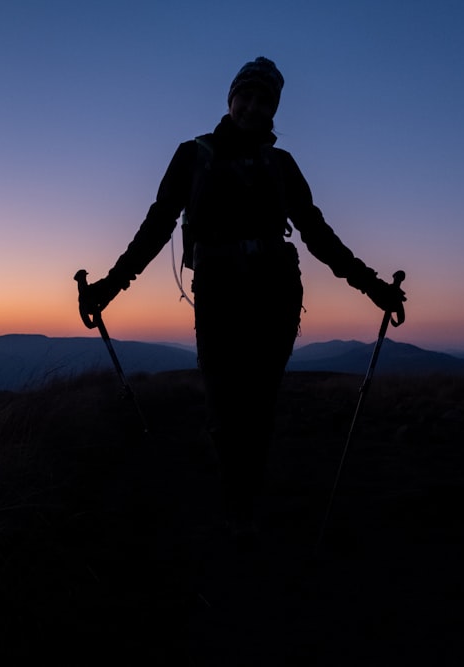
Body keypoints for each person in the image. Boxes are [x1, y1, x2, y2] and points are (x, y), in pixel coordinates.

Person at [79, 56, 405, 535]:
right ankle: (241, 496)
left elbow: (318, 235)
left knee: (257, 403)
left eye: (264, 101)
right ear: (230, 98)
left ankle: (243, 504)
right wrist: (111, 286)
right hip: (219, 293)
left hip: (275, 294)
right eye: (246, 96)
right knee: (223, 403)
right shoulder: (192, 155)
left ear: (273, 110)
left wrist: (374, 287)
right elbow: (155, 228)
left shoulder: (282, 165)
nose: (253, 107)